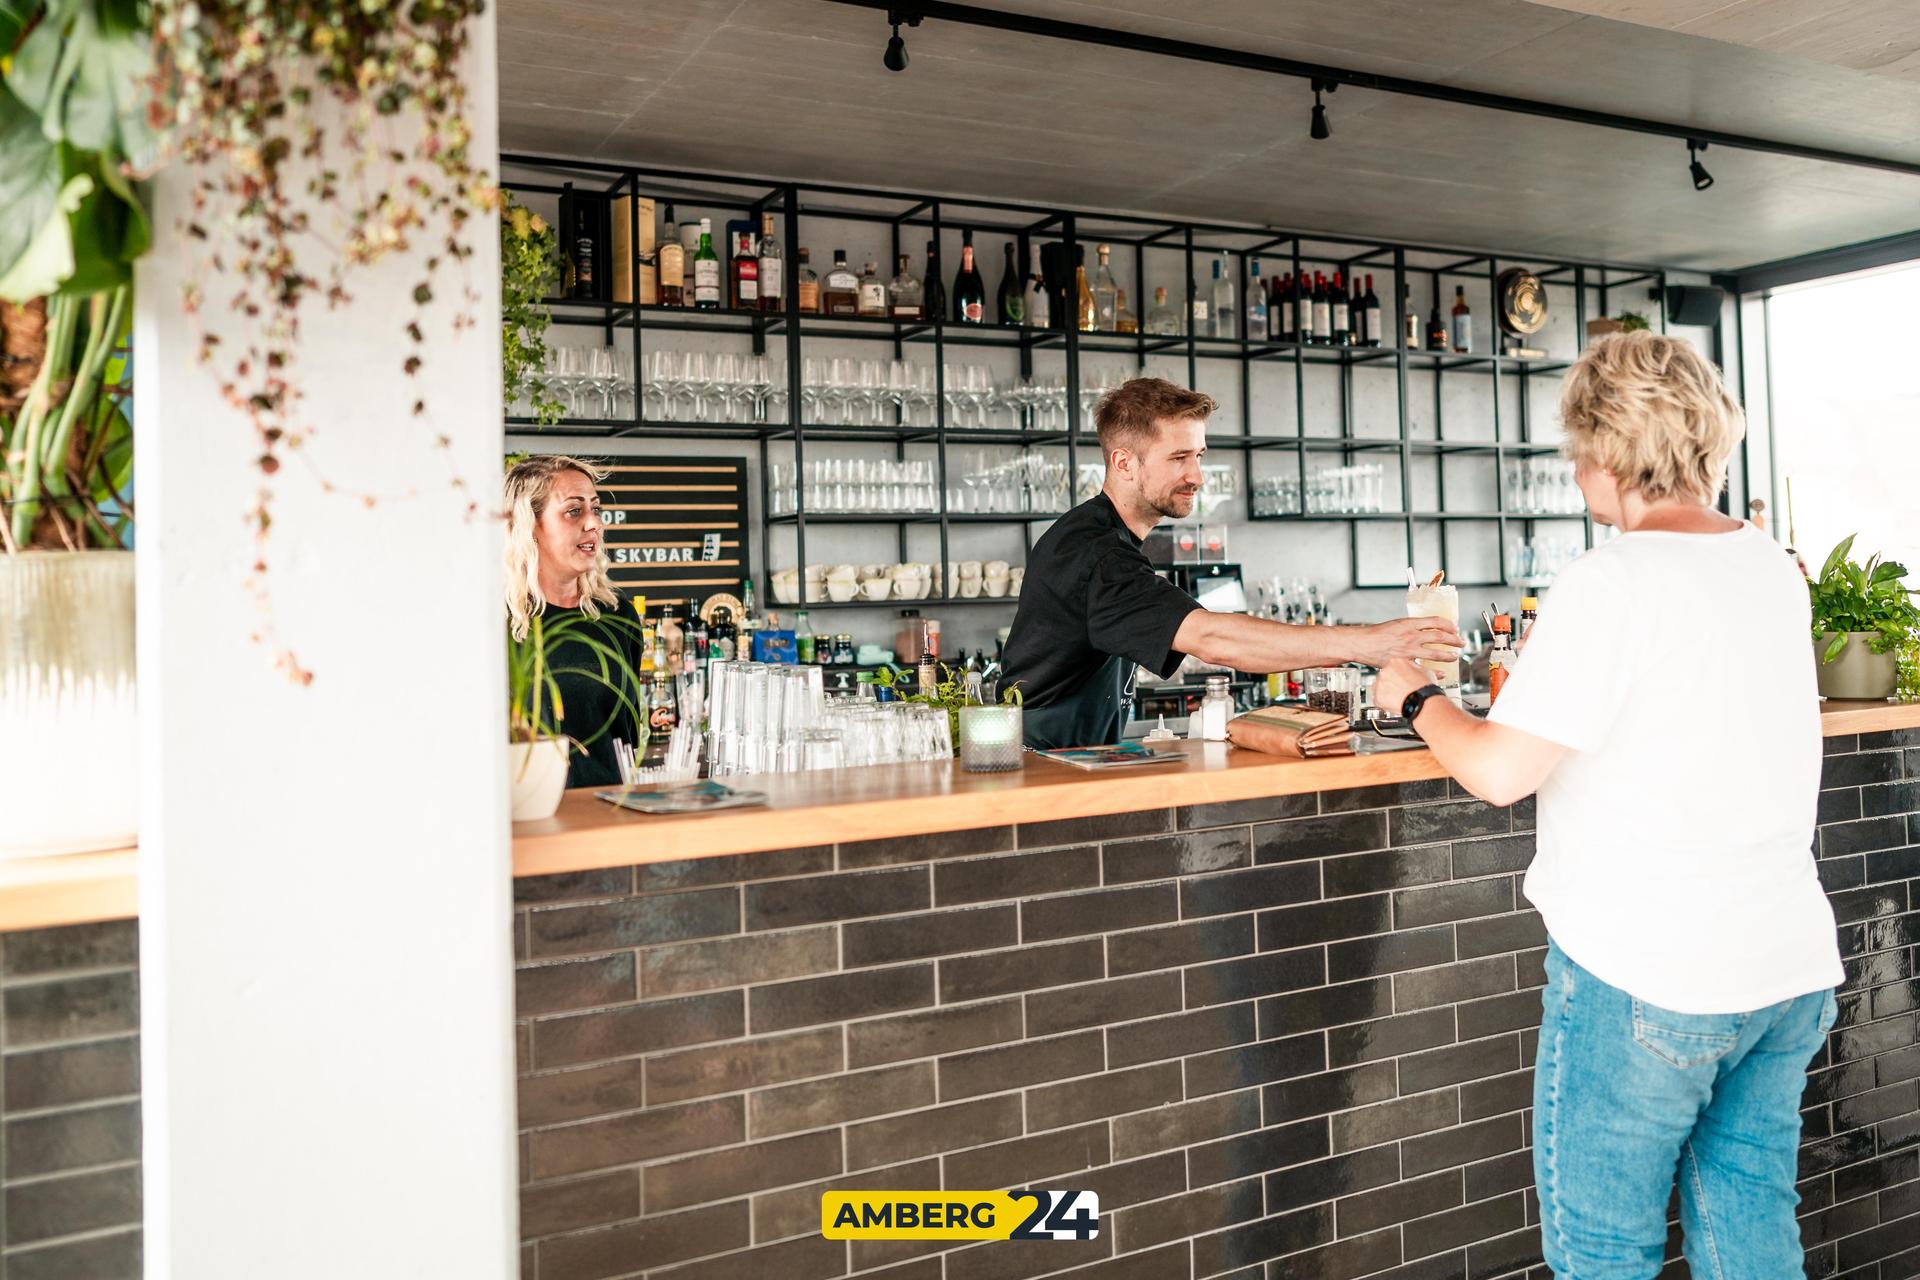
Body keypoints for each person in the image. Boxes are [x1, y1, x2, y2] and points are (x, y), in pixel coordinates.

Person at [1372, 332, 1841, 1279]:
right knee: (1751, 1238)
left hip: (1649, 977)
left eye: (1577, 443)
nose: (1572, 463)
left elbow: (1499, 771)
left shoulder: (1612, 579)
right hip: (1784, 970)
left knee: (1604, 1256)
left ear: (1610, 448)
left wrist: (1414, 697)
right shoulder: (1770, 567)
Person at [1000, 376, 1462, 749]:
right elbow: (1212, 638)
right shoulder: (1096, 553)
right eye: (1179, 458)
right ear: (1124, 463)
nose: (1197, 476)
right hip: (1041, 769)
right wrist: (1366, 643)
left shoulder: (1102, 537)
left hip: (1071, 760)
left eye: (1199, 455)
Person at [505, 454, 647, 788]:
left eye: (596, 508)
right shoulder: (498, 622)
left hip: (612, 808)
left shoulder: (618, 615)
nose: (594, 523)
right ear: (530, 526)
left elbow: (628, 733)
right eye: (574, 511)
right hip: (531, 811)